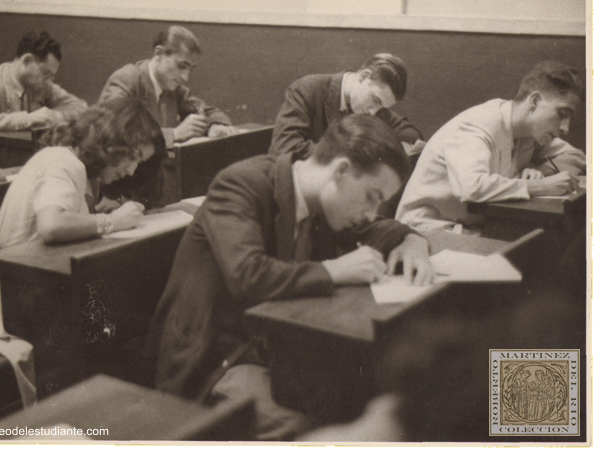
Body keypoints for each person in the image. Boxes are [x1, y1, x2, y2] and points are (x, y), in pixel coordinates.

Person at [143, 114, 433, 439]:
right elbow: (247, 274)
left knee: (362, 395)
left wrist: (413, 241)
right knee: (302, 421)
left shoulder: (324, 201)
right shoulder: (241, 183)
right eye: (371, 196)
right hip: (212, 359)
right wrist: (333, 270)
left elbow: (375, 227)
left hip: (271, 348)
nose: (372, 211)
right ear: (340, 171)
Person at [396, 61, 586, 232]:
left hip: (473, 227)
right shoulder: (476, 125)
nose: (565, 128)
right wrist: (539, 186)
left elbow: (576, 156)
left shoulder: (529, 132)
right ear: (534, 101)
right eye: (562, 113)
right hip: (425, 231)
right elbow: (471, 187)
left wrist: (540, 170)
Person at [0, 98, 166, 248]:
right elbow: (51, 225)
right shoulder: (64, 161)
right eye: (134, 156)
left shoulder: (70, 161)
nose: (132, 170)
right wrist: (114, 221)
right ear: (114, 140)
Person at [98, 25, 233, 206]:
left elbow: (207, 110)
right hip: (116, 193)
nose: (185, 77)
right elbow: (109, 134)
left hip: (152, 192)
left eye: (190, 69)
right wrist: (174, 134)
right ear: (159, 53)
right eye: (181, 66)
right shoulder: (127, 79)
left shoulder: (172, 87)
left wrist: (216, 125)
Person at [0, 31, 87, 169]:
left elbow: (81, 106)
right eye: (46, 73)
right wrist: (30, 119)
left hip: (15, 167)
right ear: (26, 61)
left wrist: (56, 116)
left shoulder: (39, 85)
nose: (49, 81)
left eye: (52, 76)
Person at [269, 53, 423, 160]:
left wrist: (401, 146)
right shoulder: (306, 89)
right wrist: (353, 156)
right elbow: (284, 148)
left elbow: (409, 132)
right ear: (363, 77)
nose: (373, 112)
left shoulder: (373, 108)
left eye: (383, 107)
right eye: (376, 99)